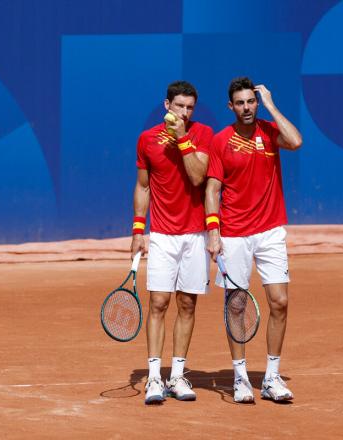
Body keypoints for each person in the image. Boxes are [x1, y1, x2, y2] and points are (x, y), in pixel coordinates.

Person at [205, 77, 302, 403]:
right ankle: (241, 377)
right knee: (237, 303)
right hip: (233, 234)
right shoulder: (221, 141)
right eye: (241, 103)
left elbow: (296, 141)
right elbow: (213, 189)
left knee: (280, 302)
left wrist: (272, 106)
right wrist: (213, 231)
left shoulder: (270, 132)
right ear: (230, 107)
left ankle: (272, 378)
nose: (247, 108)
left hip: (271, 230)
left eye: (252, 101)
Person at [131, 81, 213, 404]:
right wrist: (139, 229)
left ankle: (177, 375)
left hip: (195, 235)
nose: (185, 112)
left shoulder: (203, 134)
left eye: (190, 107)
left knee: (187, 304)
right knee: (158, 303)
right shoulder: (147, 139)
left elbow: (197, 177)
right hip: (163, 234)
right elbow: (142, 186)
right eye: (179, 106)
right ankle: (154, 378)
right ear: (167, 105)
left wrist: (182, 137)